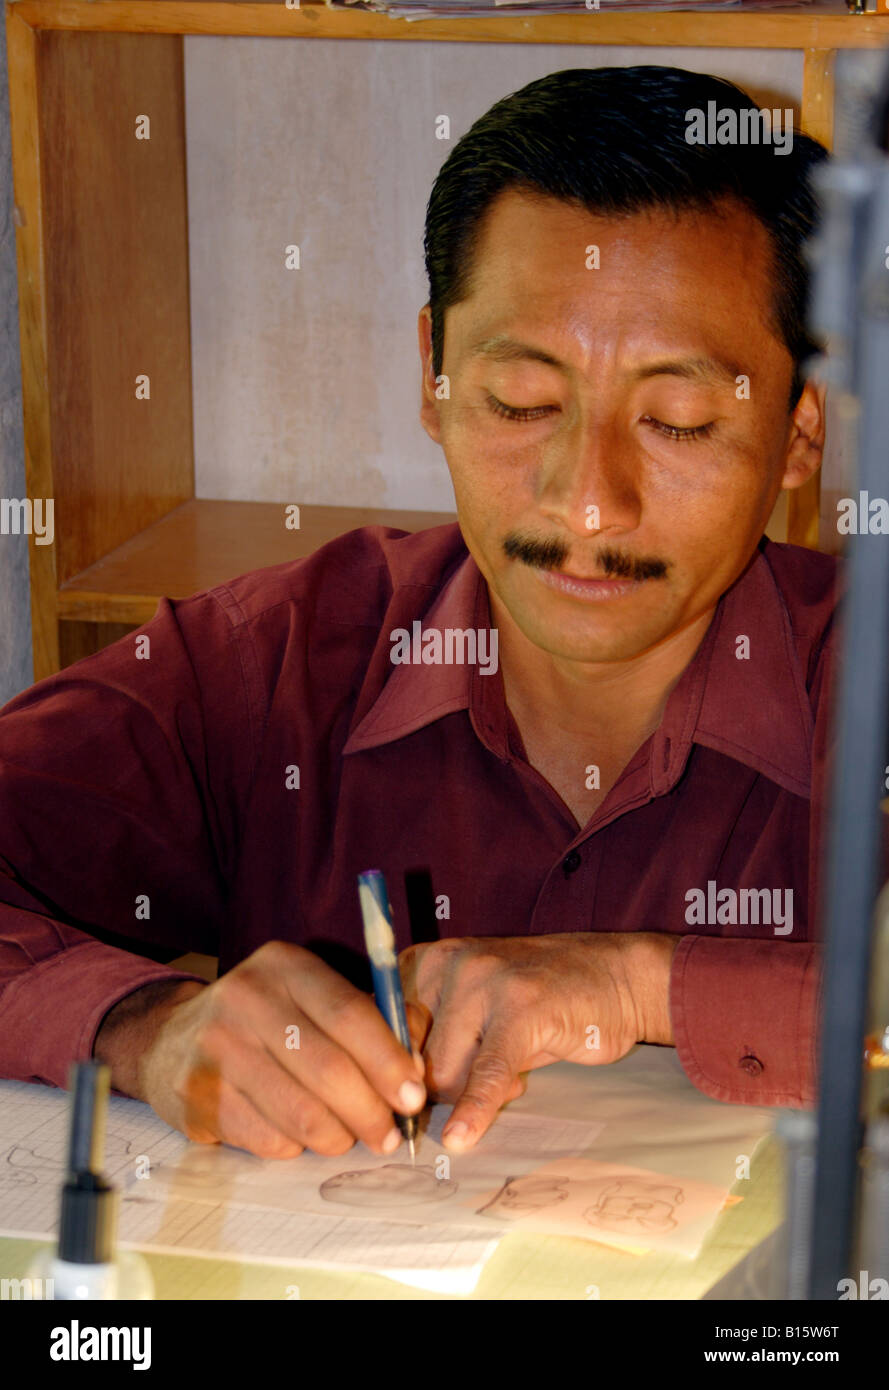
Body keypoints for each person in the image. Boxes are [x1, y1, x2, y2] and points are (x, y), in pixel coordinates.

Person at [0, 66, 835, 1162]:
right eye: (523, 403)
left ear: (796, 435)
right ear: (432, 375)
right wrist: (142, 1027)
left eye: (677, 421)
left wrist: (645, 986)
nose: (588, 500)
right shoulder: (275, 665)